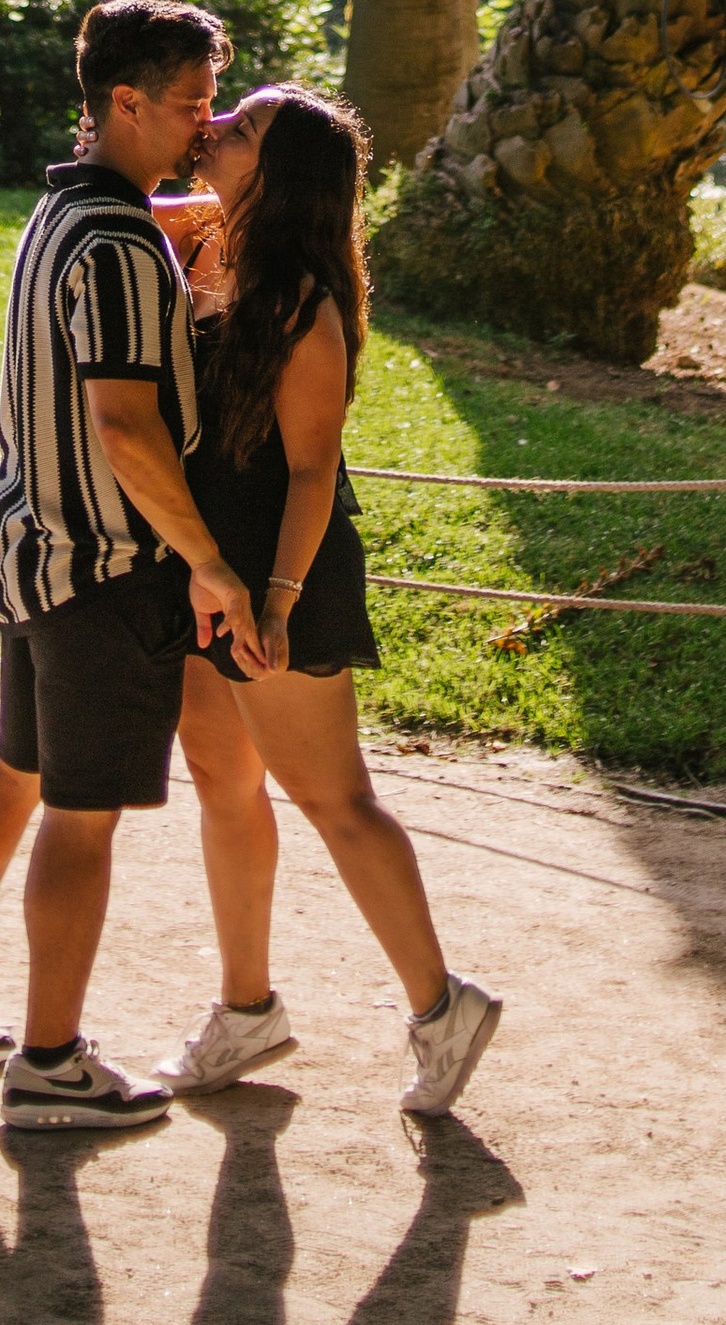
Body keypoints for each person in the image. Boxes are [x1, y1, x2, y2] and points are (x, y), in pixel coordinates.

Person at [0, 0, 270, 1136]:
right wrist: (206, 562)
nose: (204, 127)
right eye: (191, 106)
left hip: (33, 547)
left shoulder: (69, 212)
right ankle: (51, 1061)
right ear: (125, 102)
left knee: (19, 771)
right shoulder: (114, 246)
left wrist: (209, 216)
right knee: (82, 811)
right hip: (107, 566)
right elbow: (126, 428)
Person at [156, 84, 502, 1120]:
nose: (213, 131)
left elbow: (312, 474)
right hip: (207, 568)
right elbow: (121, 198)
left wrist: (274, 602)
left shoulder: (301, 303)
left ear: (281, 173)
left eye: (240, 128)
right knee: (222, 783)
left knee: (332, 797)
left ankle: (443, 1008)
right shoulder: (217, 246)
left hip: (275, 577)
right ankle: (246, 1008)